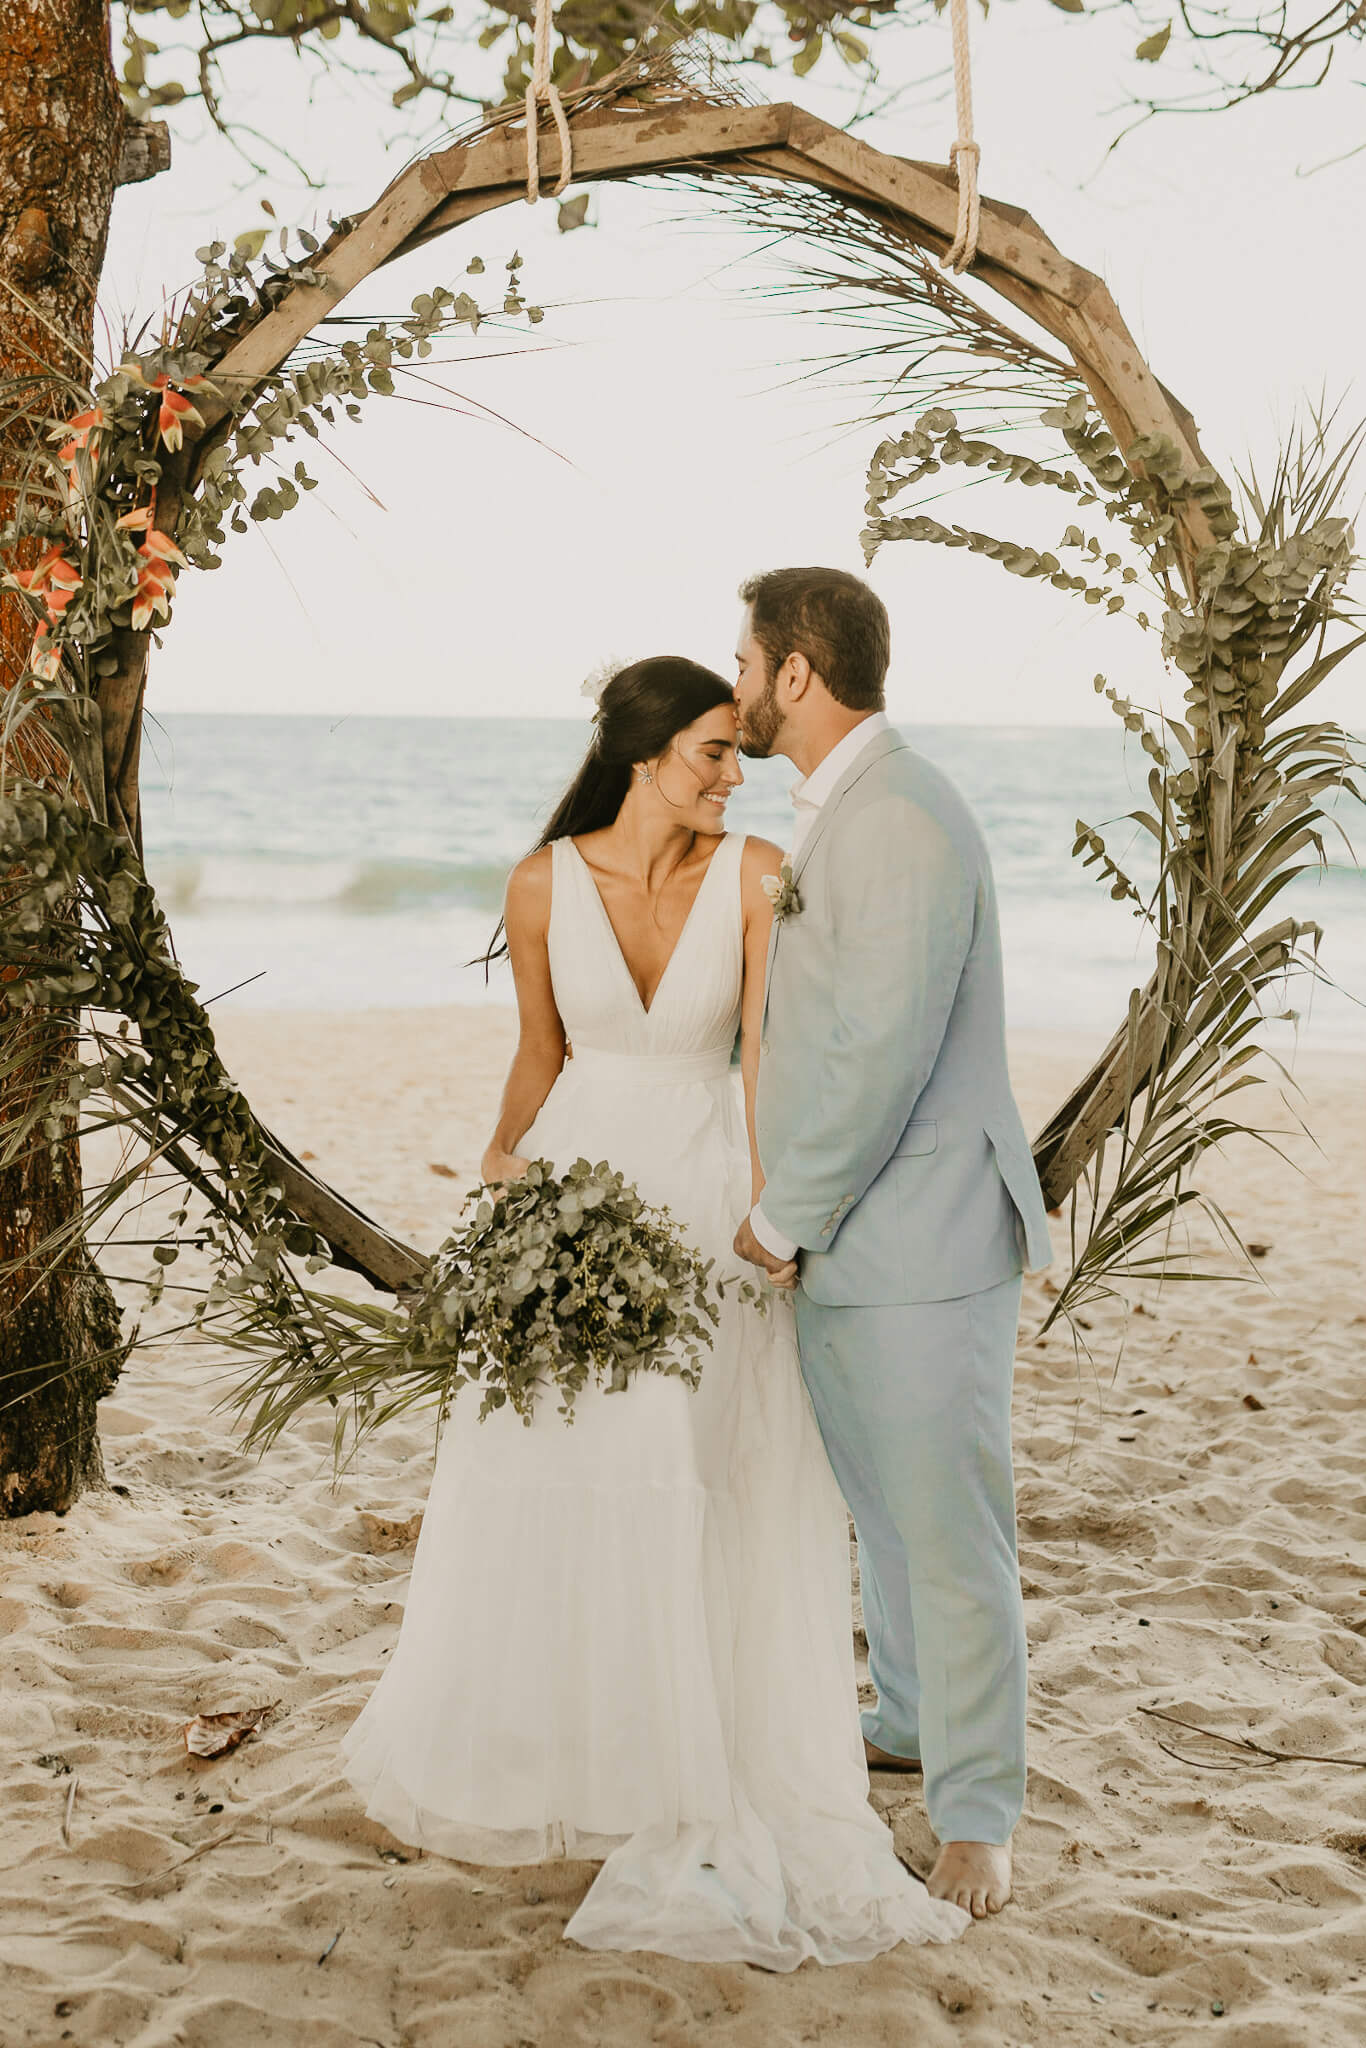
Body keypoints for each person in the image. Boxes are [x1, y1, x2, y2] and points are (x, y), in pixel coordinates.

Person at [340, 654, 969, 1967]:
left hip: (703, 1191)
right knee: (562, 1467)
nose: (732, 776)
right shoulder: (539, 882)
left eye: (738, 753)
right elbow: (539, 1050)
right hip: (574, 1184)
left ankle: (693, 1760)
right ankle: (591, 1748)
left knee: (708, 1476)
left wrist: (774, 1211)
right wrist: (498, 1191)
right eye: (710, 752)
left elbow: (765, 1057)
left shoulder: (750, 877)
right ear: (641, 753)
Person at [731, 567, 1052, 1919]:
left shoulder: (904, 816)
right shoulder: (843, 809)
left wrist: (781, 1213)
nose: (734, 685)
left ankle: (975, 1813)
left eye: (743, 660)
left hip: (916, 1231)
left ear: (795, 673)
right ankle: (911, 1720)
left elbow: (880, 1048)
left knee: (948, 1527)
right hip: (865, 1242)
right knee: (887, 1517)